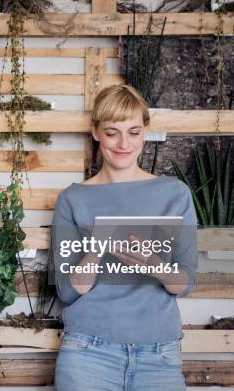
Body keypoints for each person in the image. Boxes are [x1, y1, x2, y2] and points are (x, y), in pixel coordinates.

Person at [52, 84, 199, 390]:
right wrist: (96, 249)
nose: (123, 143)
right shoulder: (73, 199)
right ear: (95, 132)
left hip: (159, 355)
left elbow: (185, 283)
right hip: (87, 353)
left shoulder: (175, 194)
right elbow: (67, 292)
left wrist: (153, 263)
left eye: (133, 131)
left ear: (145, 131)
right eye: (112, 132)